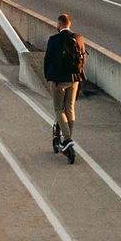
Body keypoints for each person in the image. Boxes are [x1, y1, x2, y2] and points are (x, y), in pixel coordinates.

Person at [41, 12, 86, 164]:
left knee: (59, 109)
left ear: (59, 24)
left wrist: (49, 77)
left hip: (59, 80)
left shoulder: (54, 39)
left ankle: (67, 139)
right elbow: (83, 58)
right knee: (70, 107)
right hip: (74, 79)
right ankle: (68, 140)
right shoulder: (78, 38)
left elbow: (48, 60)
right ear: (69, 24)